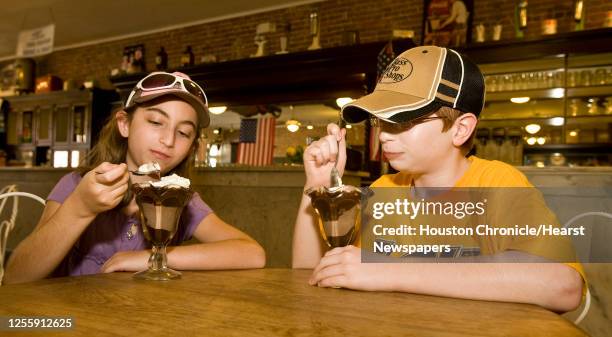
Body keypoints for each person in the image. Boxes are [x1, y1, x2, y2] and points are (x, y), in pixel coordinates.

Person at [292, 46, 585, 312]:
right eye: (382, 120)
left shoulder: (496, 183)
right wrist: (315, 187)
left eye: (405, 120)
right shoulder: (382, 192)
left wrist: (391, 271)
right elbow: (308, 274)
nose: (382, 135)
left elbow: (563, 284)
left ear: (460, 129)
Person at [5, 72, 265, 284]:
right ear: (125, 124)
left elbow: (252, 253)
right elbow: (16, 277)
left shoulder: (181, 200)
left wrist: (151, 257)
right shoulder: (76, 185)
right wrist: (80, 208)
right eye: (155, 122)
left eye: (184, 132)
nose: (168, 140)